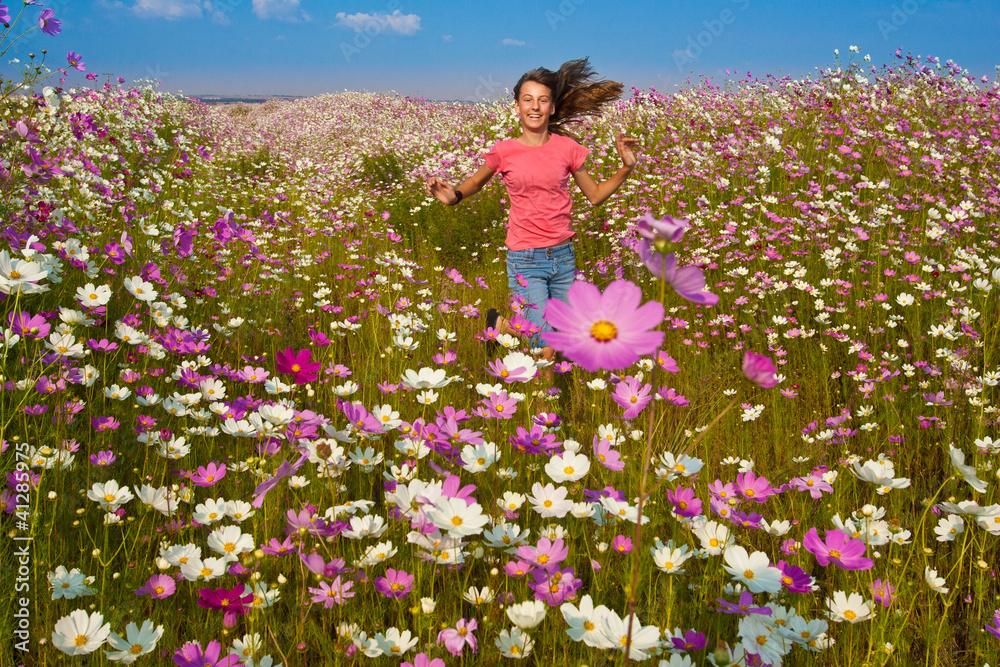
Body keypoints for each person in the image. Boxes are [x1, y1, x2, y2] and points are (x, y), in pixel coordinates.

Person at [426, 58, 638, 363]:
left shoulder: (567, 148)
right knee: (545, 348)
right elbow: (475, 181)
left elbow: (595, 195)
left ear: (552, 108)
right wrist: (455, 195)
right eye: (527, 100)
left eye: (542, 100)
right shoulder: (504, 151)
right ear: (516, 106)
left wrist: (626, 168)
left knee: (560, 336)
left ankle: (500, 327)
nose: (535, 107)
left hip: (563, 258)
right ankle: (545, 407)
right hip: (525, 259)